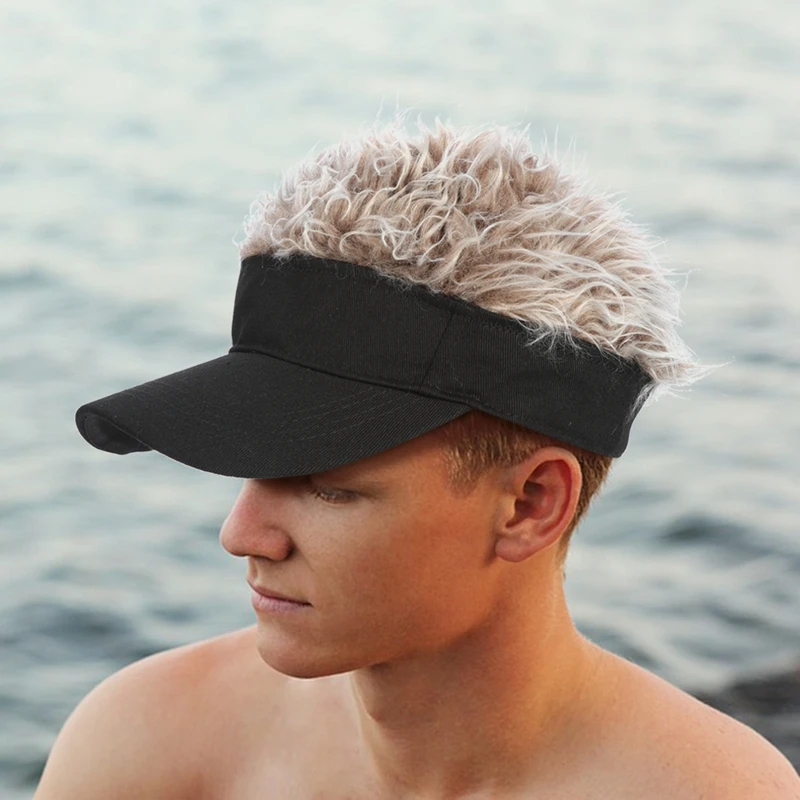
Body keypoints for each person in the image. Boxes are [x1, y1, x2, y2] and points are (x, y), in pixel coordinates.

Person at [35, 120, 800, 799]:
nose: (242, 535)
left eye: (329, 488)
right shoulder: (149, 740)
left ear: (531, 504)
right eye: (256, 464)